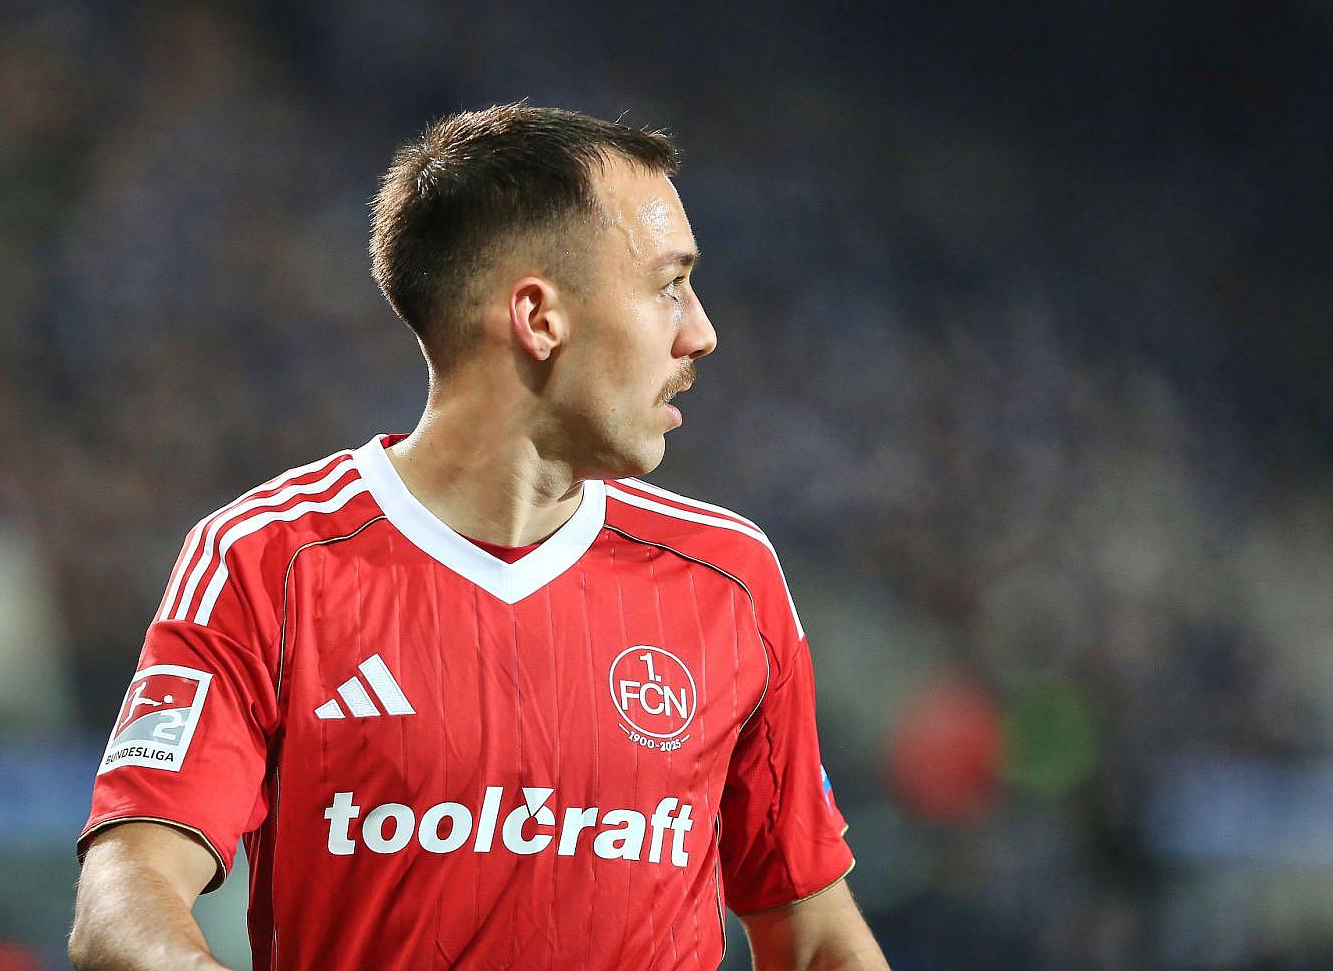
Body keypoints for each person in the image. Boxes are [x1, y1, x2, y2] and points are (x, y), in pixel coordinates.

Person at [70, 104, 890, 971]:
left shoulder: (729, 578)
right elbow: (127, 894)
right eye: (668, 285)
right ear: (538, 317)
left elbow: (814, 938)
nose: (701, 332)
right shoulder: (268, 561)